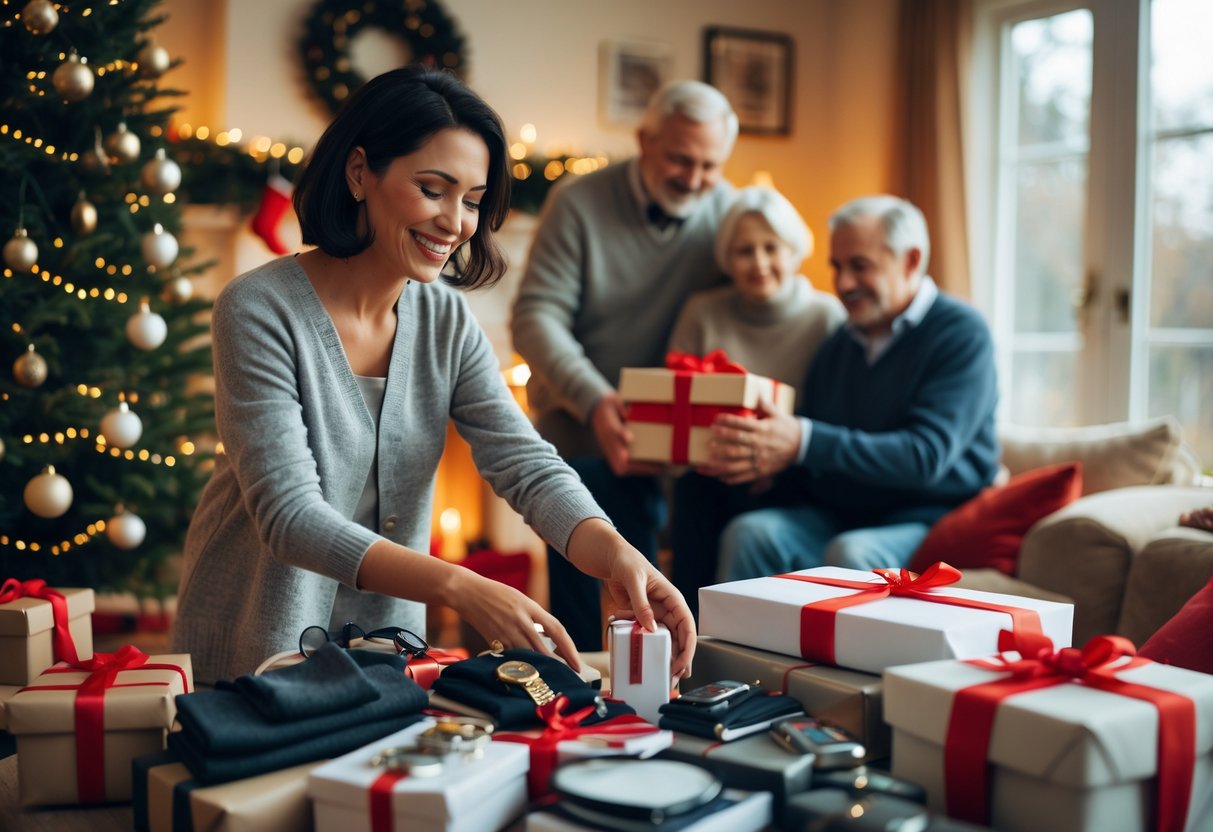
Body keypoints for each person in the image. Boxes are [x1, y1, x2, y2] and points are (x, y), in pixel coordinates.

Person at [171, 67, 695, 685]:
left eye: (472, 200)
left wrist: (617, 556)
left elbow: (523, 461)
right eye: (432, 189)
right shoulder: (257, 307)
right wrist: (463, 586)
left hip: (391, 649)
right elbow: (290, 516)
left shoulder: (444, 316)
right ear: (360, 172)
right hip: (257, 636)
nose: (455, 222)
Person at [511, 80, 738, 649]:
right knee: (594, 579)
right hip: (584, 425)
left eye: (709, 165)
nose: (694, 178)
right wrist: (597, 402)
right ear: (644, 139)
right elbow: (535, 319)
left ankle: (684, 692)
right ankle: (582, 689)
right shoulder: (579, 201)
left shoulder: (729, 214)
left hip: (679, 441)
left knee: (687, 582)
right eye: (679, 158)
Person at [704, 195, 999, 580]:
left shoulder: (961, 333)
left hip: (927, 520)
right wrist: (770, 461)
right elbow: (819, 461)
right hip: (839, 515)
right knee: (750, 534)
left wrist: (801, 441)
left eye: (860, 267)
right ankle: (729, 642)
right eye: (837, 266)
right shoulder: (838, 345)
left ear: (910, 261)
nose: (843, 284)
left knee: (851, 552)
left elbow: (925, 456)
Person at [665, 186, 845, 610]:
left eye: (772, 248)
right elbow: (675, 403)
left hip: (795, 475)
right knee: (694, 493)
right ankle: (687, 632)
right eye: (745, 251)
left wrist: (774, 462)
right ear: (728, 258)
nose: (760, 263)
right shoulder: (703, 311)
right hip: (710, 469)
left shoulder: (827, 316)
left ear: (794, 250)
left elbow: (834, 417)